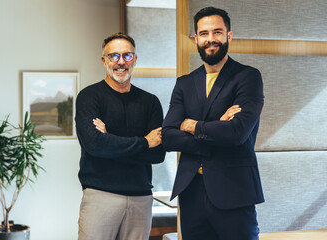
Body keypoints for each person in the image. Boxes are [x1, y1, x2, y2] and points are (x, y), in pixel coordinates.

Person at [162, 7, 264, 240]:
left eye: (217, 32)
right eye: (204, 33)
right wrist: (217, 127)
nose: (211, 39)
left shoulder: (248, 77)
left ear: (229, 35)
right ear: (196, 38)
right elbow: (168, 136)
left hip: (234, 191)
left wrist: (191, 126)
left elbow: (237, 133)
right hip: (191, 192)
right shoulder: (184, 84)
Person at [75, 32, 166, 240]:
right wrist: (144, 142)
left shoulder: (150, 102)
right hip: (100, 195)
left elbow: (158, 154)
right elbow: (95, 145)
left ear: (135, 59)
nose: (121, 62)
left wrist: (110, 140)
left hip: (141, 197)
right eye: (114, 56)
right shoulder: (89, 97)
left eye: (127, 56)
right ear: (104, 60)